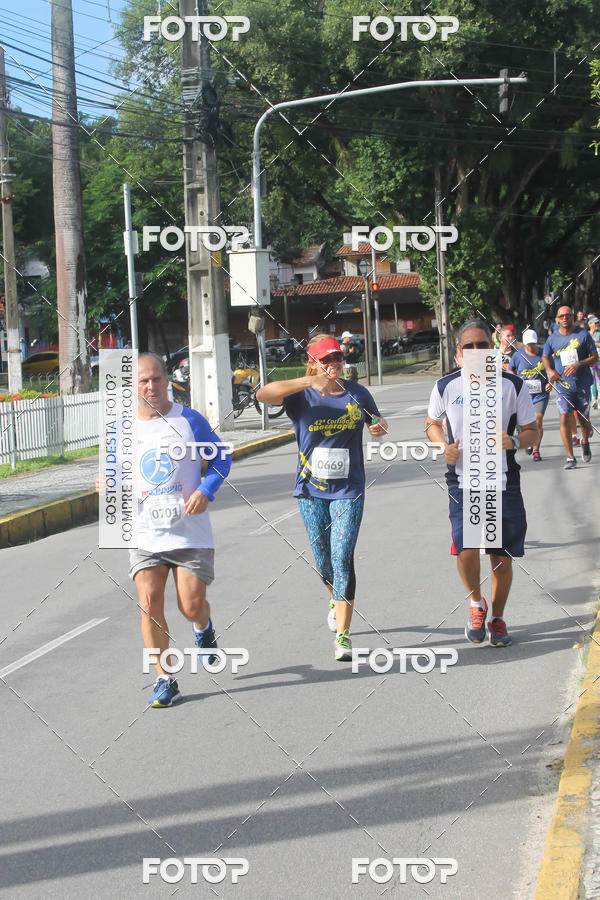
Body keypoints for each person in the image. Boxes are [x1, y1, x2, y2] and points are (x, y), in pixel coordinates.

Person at [99, 353, 231, 707]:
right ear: (132, 386)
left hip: (189, 532)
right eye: (143, 381)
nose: (151, 386)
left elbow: (221, 458)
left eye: (156, 379)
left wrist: (206, 490)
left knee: (190, 606)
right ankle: (163, 677)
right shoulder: (120, 430)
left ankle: (202, 628)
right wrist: (105, 484)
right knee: (147, 602)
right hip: (145, 533)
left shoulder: (188, 419)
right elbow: (113, 475)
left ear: (166, 380)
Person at [256, 334, 387, 661]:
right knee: (323, 560)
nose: (333, 365)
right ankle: (334, 598)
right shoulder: (300, 396)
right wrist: (307, 381)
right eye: (325, 360)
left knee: (342, 557)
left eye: (337, 359)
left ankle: (343, 636)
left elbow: (378, 420)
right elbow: (263, 394)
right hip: (310, 491)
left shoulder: (356, 394)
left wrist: (378, 427)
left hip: (349, 489)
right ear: (312, 362)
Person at [425, 318, 538, 648]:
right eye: (469, 346)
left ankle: (498, 618)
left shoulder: (512, 386)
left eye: (482, 345)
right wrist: (442, 446)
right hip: (463, 479)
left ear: (493, 349)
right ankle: (476, 602)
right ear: (459, 353)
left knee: (501, 555)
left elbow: (532, 431)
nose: (476, 351)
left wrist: (515, 442)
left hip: (502, 479)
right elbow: (431, 423)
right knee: (466, 546)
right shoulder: (447, 386)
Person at [542, 305, 598, 468]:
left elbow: (594, 357)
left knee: (583, 420)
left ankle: (585, 442)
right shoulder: (552, 339)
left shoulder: (583, 335)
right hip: (562, 386)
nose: (565, 318)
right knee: (564, 418)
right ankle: (570, 457)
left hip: (581, 384)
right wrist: (550, 370)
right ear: (557, 320)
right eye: (562, 316)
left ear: (573, 317)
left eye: (568, 315)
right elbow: (545, 356)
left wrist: (579, 363)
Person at [509, 329, 552, 460]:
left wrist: (550, 382)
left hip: (541, 394)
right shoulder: (518, 355)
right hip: (524, 395)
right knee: (523, 422)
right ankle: (528, 441)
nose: (530, 347)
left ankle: (536, 450)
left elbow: (552, 370)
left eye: (532, 344)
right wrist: (516, 380)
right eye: (528, 344)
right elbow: (510, 369)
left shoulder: (544, 355)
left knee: (538, 420)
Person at [588, 316, 600, 408]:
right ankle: (593, 399)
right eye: (595, 323)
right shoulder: (587, 334)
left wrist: (593, 343)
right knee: (592, 381)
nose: (597, 325)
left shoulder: (599, 334)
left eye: (598, 323)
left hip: (599, 360)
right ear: (590, 324)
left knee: (599, 380)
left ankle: (599, 399)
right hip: (590, 361)